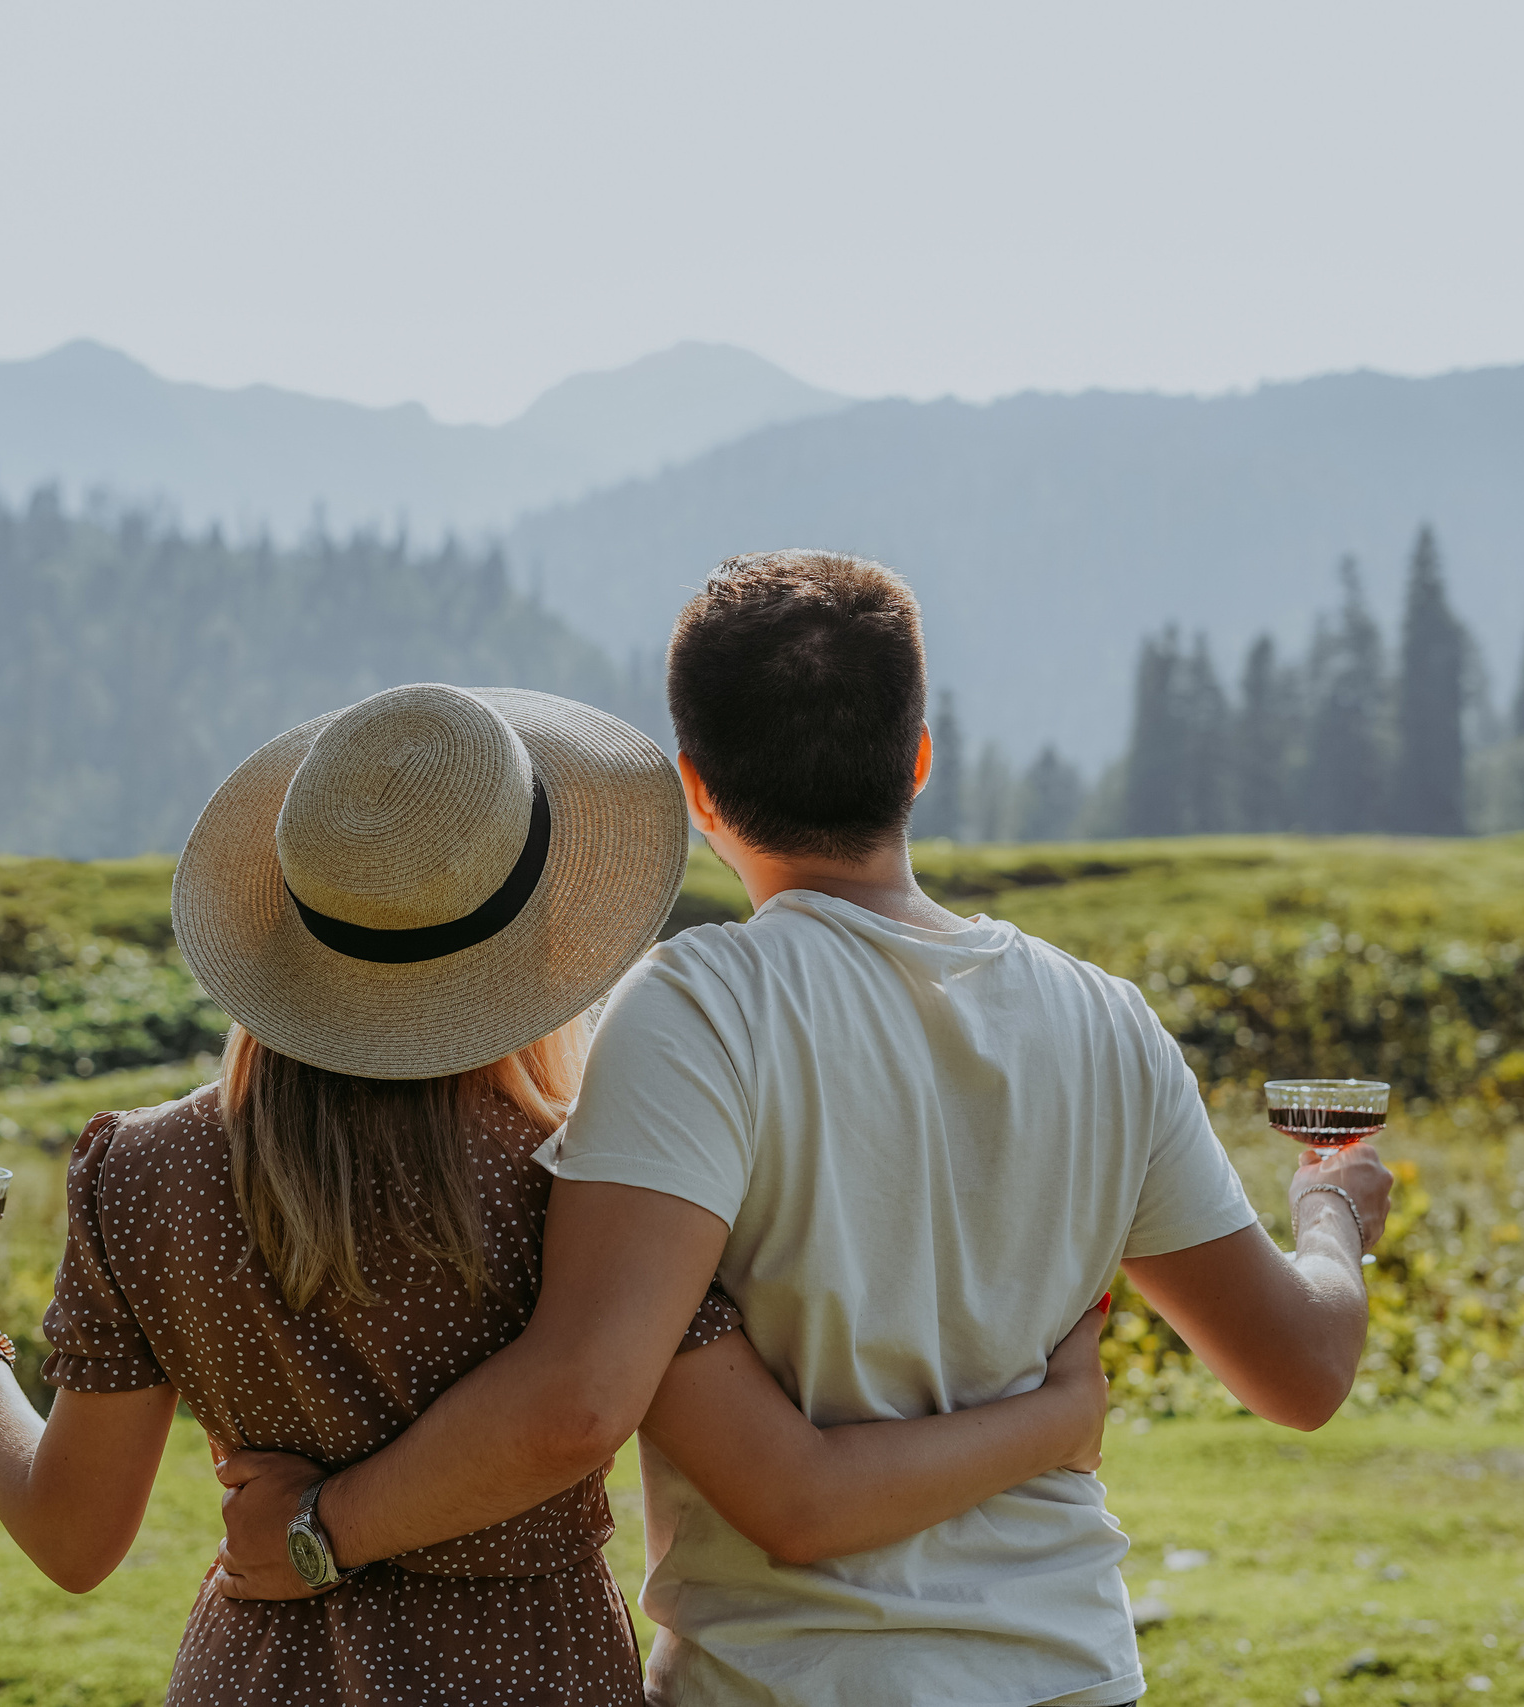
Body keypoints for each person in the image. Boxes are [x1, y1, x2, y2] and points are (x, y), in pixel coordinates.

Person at [215, 556, 1396, 1707]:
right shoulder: (1105, 1019)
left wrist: (321, 1527)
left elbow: (582, 1395)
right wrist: (1329, 1212)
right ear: (918, 761)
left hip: (787, 1679)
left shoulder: (698, 1006)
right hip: (1069, 1668)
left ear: (697, 790)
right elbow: (1300, 1372)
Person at [0, 681, 1119, 1707]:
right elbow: (776, 1479)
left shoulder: (142, 1175)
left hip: (257, 1673)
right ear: (535, 933)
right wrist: (1047, 1412)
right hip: (534, 1674)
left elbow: (74, 1537)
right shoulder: (586, 1184)